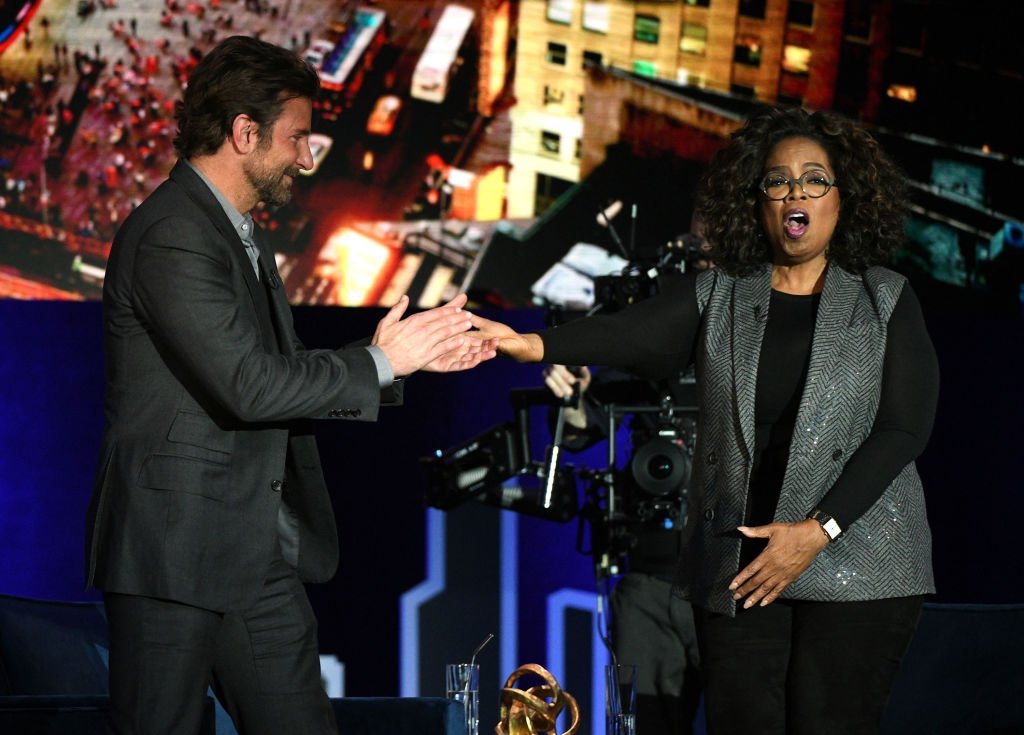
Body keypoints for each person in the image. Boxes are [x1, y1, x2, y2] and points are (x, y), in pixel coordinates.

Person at [472, 106, 939, 734]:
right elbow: (629, 334)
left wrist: (816, 529)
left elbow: (904, 428)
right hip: (743, 562)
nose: (795, 192)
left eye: (814, 179)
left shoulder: (886, 296)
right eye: (778, 181)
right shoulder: (721, 293)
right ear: (757, 201)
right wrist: (534, 344)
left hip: (856, 561)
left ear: (843, 197)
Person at [84, 36, 495, 735]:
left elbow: (278, 371)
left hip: (255, 554)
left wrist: (397, 360)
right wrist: (381, 361)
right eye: (297, 137)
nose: (308, 157)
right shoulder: (174, 233)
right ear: (245, 133)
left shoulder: (235, 230)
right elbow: (248, 383)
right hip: (173, 556)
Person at [543, 363, 702, 735]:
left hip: (736, 578)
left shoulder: (749, 338)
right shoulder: (645, 340)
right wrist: (573, 400)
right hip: (648, 582)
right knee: (644, 724)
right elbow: (584, 423)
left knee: (751, 717)